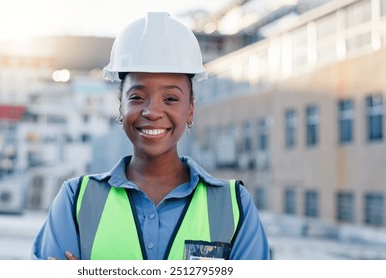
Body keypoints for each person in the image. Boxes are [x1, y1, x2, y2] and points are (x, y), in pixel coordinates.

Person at [31, 12, 270, 260]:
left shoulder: (234, 205)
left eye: (170, 99)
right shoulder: (75, 200)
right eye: (137, 97)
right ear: (121, 107)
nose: (153, 112)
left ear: (190, 109)